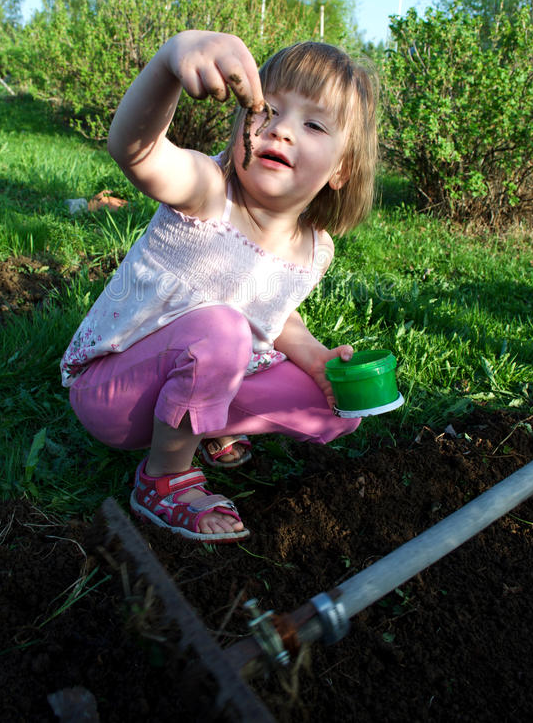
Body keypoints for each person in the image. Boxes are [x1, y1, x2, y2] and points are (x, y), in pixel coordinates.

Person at [61, 30, 378, 543]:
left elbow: (274, 314)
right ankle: (163, 477)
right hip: (114, 393)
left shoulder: (315, 247)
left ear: (341, 170)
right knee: (221, 332)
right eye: (266, 110)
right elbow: (133, 150)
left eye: (313, 123)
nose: (282, 131)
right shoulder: (208, 191)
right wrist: (171, 59)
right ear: (241, 122)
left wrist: (317, 358)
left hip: (205, 361)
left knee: (337, 408)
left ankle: (204, 422)